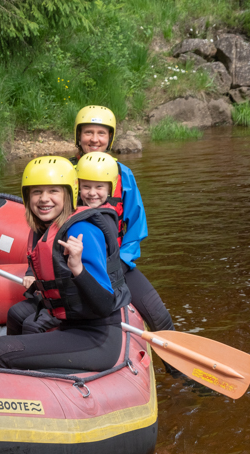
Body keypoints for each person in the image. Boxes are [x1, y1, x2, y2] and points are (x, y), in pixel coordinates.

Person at [0, 156, 130, 371]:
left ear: (69, 194)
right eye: (36, 192)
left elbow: (105, 305)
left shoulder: (82, 231)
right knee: (13, 327)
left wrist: (78, 268)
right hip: (71, 329)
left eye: (53, 191)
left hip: (98, 339)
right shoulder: (44, 231)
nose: (44, 199)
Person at [71, 105, 174, 334]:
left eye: (101, 133)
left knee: (161, 318)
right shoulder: (65, 172)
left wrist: (121, 262)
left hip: (117, 264)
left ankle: (177, 371)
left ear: (110, 137)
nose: (94, 139)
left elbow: (136, 227)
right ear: (79, 136)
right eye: (88, 132)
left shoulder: (123, 174)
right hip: (75, 266)